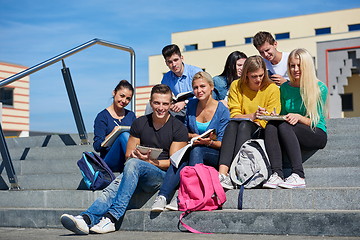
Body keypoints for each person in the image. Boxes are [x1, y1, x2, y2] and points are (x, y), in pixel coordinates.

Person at [60, 84, 188, 235]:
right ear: (150, 102)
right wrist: (136, 156)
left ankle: (112, 218)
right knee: (117, 183)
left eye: (165, 104)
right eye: (157, 103)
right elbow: (128, 154)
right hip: (137, 171)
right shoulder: (140, 123)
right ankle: (86, 219)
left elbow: (174, 163)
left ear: (171, 104)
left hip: (161, 176)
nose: (161, 107)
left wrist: (150, 162)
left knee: (131, 168)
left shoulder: (178, 128)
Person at [151, 71, 230, 212]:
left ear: (211, 87)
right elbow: (184, 132)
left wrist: (207, 142)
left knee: (196, 150)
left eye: (202, 86)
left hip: (214, 153)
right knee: (180, 157)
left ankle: (185, 195)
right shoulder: (192, 105)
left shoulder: (222, 110)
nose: (199, 91)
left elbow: (223, 143)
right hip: (194, 148)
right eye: (195, 87)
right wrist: (192, 136)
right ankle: (162, 197)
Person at [262, 48, 328, 189]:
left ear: (307, 66)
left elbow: (315, 121)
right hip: (291, 130)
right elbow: (284, 114)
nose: (295, 69)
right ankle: (277, 174)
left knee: (285, 126)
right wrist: (272, 115)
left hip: (315, 132)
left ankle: (298, 175)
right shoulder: (285, 88)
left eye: (299, 65)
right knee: (272, 125)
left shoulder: (320, 88)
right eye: (292, 65)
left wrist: (298, 117)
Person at [217, 55, 281, 190]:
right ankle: (222, 173)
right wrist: (253, 116)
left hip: (262, 129)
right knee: (233, 125)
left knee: (243, 125)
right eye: (254, 76)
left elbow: (272, 115)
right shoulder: (236, 85)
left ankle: (234, 172)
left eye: (261, 75)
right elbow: (234, 114)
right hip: (242, 125)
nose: (259, 79)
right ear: (246, 75)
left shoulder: (272, 88)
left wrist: (258, 118)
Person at [92, 80, 136, 172]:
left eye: (128, 98)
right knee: (123, 135)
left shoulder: (131, 115)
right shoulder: (102, 117)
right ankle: (136, 166)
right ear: (114, 93)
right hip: (109, 160)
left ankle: (136, 166)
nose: (124, 101)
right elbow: (97, 146)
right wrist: (113, 134)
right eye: (122, 96)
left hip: (127, 158)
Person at [160, 44, 203, 121]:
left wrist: (185, 102)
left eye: (176, 60)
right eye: (170, 62)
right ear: (166, 63)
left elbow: (205, 95)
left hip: (197, 108)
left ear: (182, 58)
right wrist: (170, 104)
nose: (174, 64)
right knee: (152, 106)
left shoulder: (196, 72)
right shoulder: (166, 78)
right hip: (178, 111)